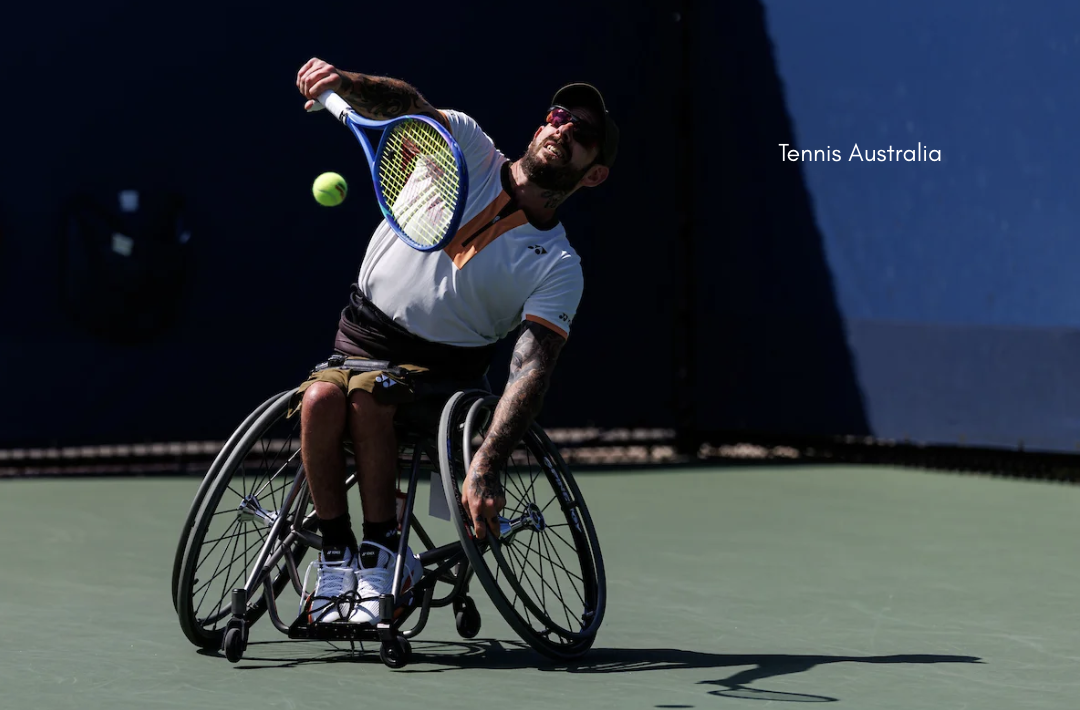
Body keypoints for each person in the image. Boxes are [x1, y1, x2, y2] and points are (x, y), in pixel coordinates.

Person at [291, 57, 618, 625]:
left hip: (438, 379)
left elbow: (530, 371)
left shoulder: (560, 265)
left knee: (370, 398)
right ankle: (337, 556)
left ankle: (382, 557)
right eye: (560, 116)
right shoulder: (465, 144)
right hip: (358, 337)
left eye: (583, 134)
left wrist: (486, 466)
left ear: (594, 173)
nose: (564, 130)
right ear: (542, 124)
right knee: (320, 399)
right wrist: (342, 85)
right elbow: (402, 105)